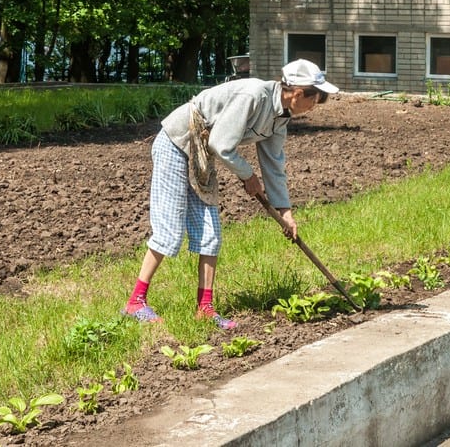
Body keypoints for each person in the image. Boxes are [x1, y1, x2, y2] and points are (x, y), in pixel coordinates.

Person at [122, 59, 339, 328]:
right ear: (297, 93)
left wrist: (285, 212)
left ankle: (205, 308)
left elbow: (274, 164)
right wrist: (247, 176)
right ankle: (135, 302)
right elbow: (221, 144)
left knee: (211, 234)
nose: (315, 106)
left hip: (202, 155)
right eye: (314, 99)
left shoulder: (280, 117)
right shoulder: (254, 96)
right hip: (177, 145)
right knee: (170, 231)